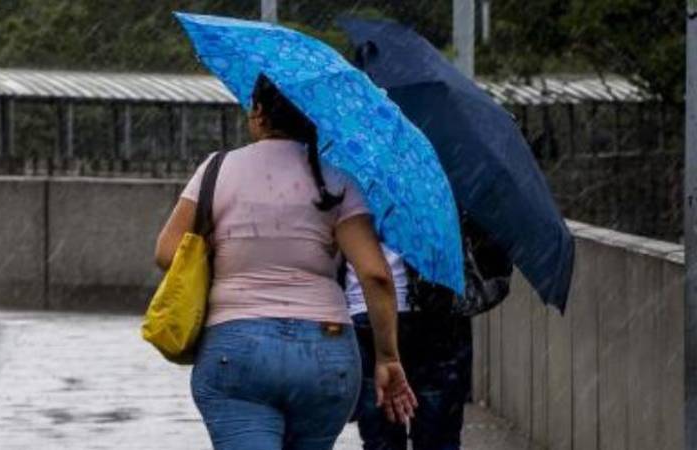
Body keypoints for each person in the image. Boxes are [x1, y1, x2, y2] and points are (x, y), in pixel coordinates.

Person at [154, 75, 416, 450]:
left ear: (258, 113)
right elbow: (376, 275)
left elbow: (167, 251)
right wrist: (388, 357)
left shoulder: (217, 169)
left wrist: (225, 250)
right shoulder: (337, 179)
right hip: (325, 352)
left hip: (237, 347)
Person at [345, 221, 511, 450]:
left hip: (366, 310)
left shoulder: (347, 186)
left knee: (381, 440)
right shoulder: (445, 187)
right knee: (439, 437)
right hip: (436, 311)